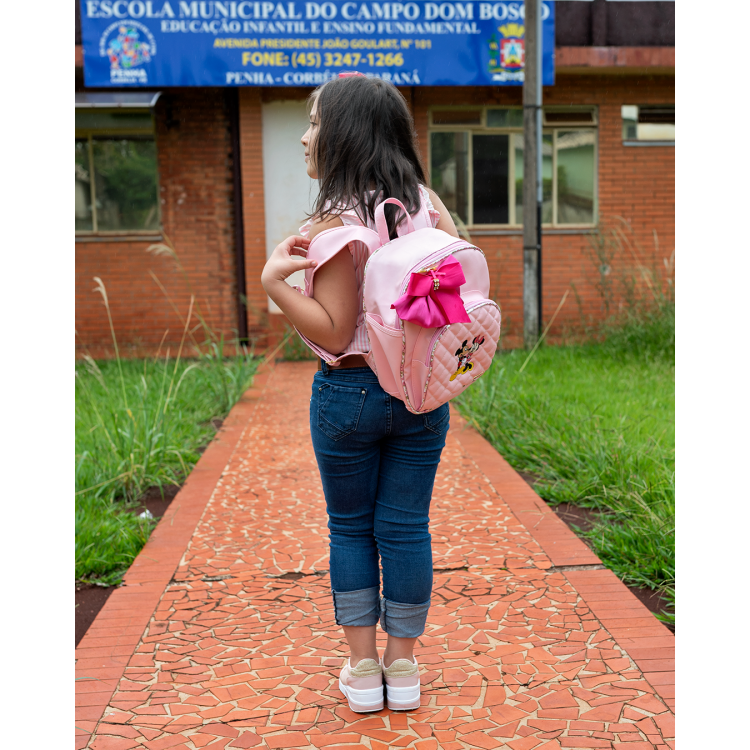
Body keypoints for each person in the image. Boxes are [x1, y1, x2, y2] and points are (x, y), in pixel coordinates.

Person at [260, 73, 459, 713]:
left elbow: (335, 328)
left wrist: (275, 284)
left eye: (315, 123)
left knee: (350, 528)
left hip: (349, 396)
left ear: (344, 133)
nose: (304, 137)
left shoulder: (336, 222)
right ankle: (403, 673)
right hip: (423, 399)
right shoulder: (430, 207)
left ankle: (363, 669)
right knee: (405, 528)